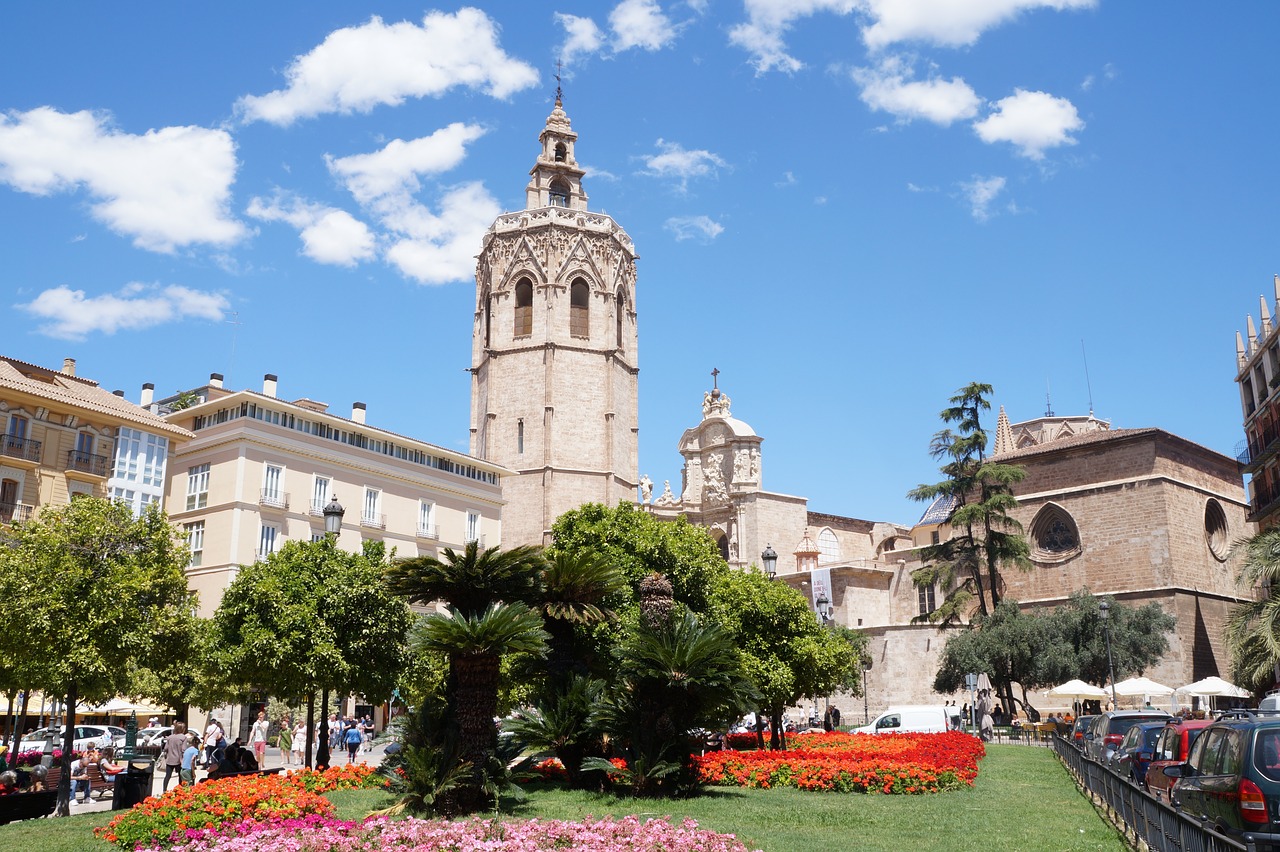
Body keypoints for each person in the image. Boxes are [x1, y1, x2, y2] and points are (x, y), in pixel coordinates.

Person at [161, 721, 188, 791]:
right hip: (179, 759)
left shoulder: (170, 737)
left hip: (170, 759)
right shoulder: (183, 737)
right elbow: (183, 749)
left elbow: (165, 748)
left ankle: (164, 789)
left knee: (167, 776)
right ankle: (180, 790)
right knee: (180, 776)